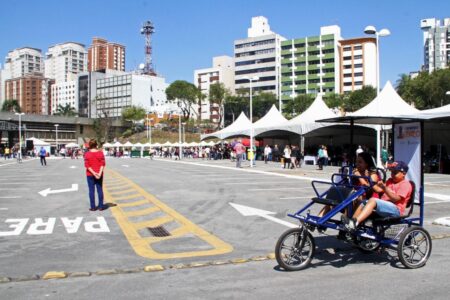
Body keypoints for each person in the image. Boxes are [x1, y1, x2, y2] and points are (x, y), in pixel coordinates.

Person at [342, 161, 412, 231]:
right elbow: (378, 190)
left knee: (373, 200)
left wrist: (385, 188)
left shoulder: (405, 184)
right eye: (391, 172)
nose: (392, 174)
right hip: (385, 206)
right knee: (363, 202)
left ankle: (355, 223)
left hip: (396, 210)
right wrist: (369, 179)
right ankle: (352, 223)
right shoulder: (390, 181)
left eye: (395, 173)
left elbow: (395, 199)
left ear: (404, 174)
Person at [84, 139, 106, 211]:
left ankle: (93, 207)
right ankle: (100, 206)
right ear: (96, 145)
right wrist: (99, 173)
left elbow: (87, 165)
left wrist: (93, 173)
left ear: (90, 145)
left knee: (91, 190)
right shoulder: (100, 153)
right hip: (99, 174)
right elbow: (103, 164)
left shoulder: (87, 154)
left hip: (90, 174)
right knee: (99, 190)